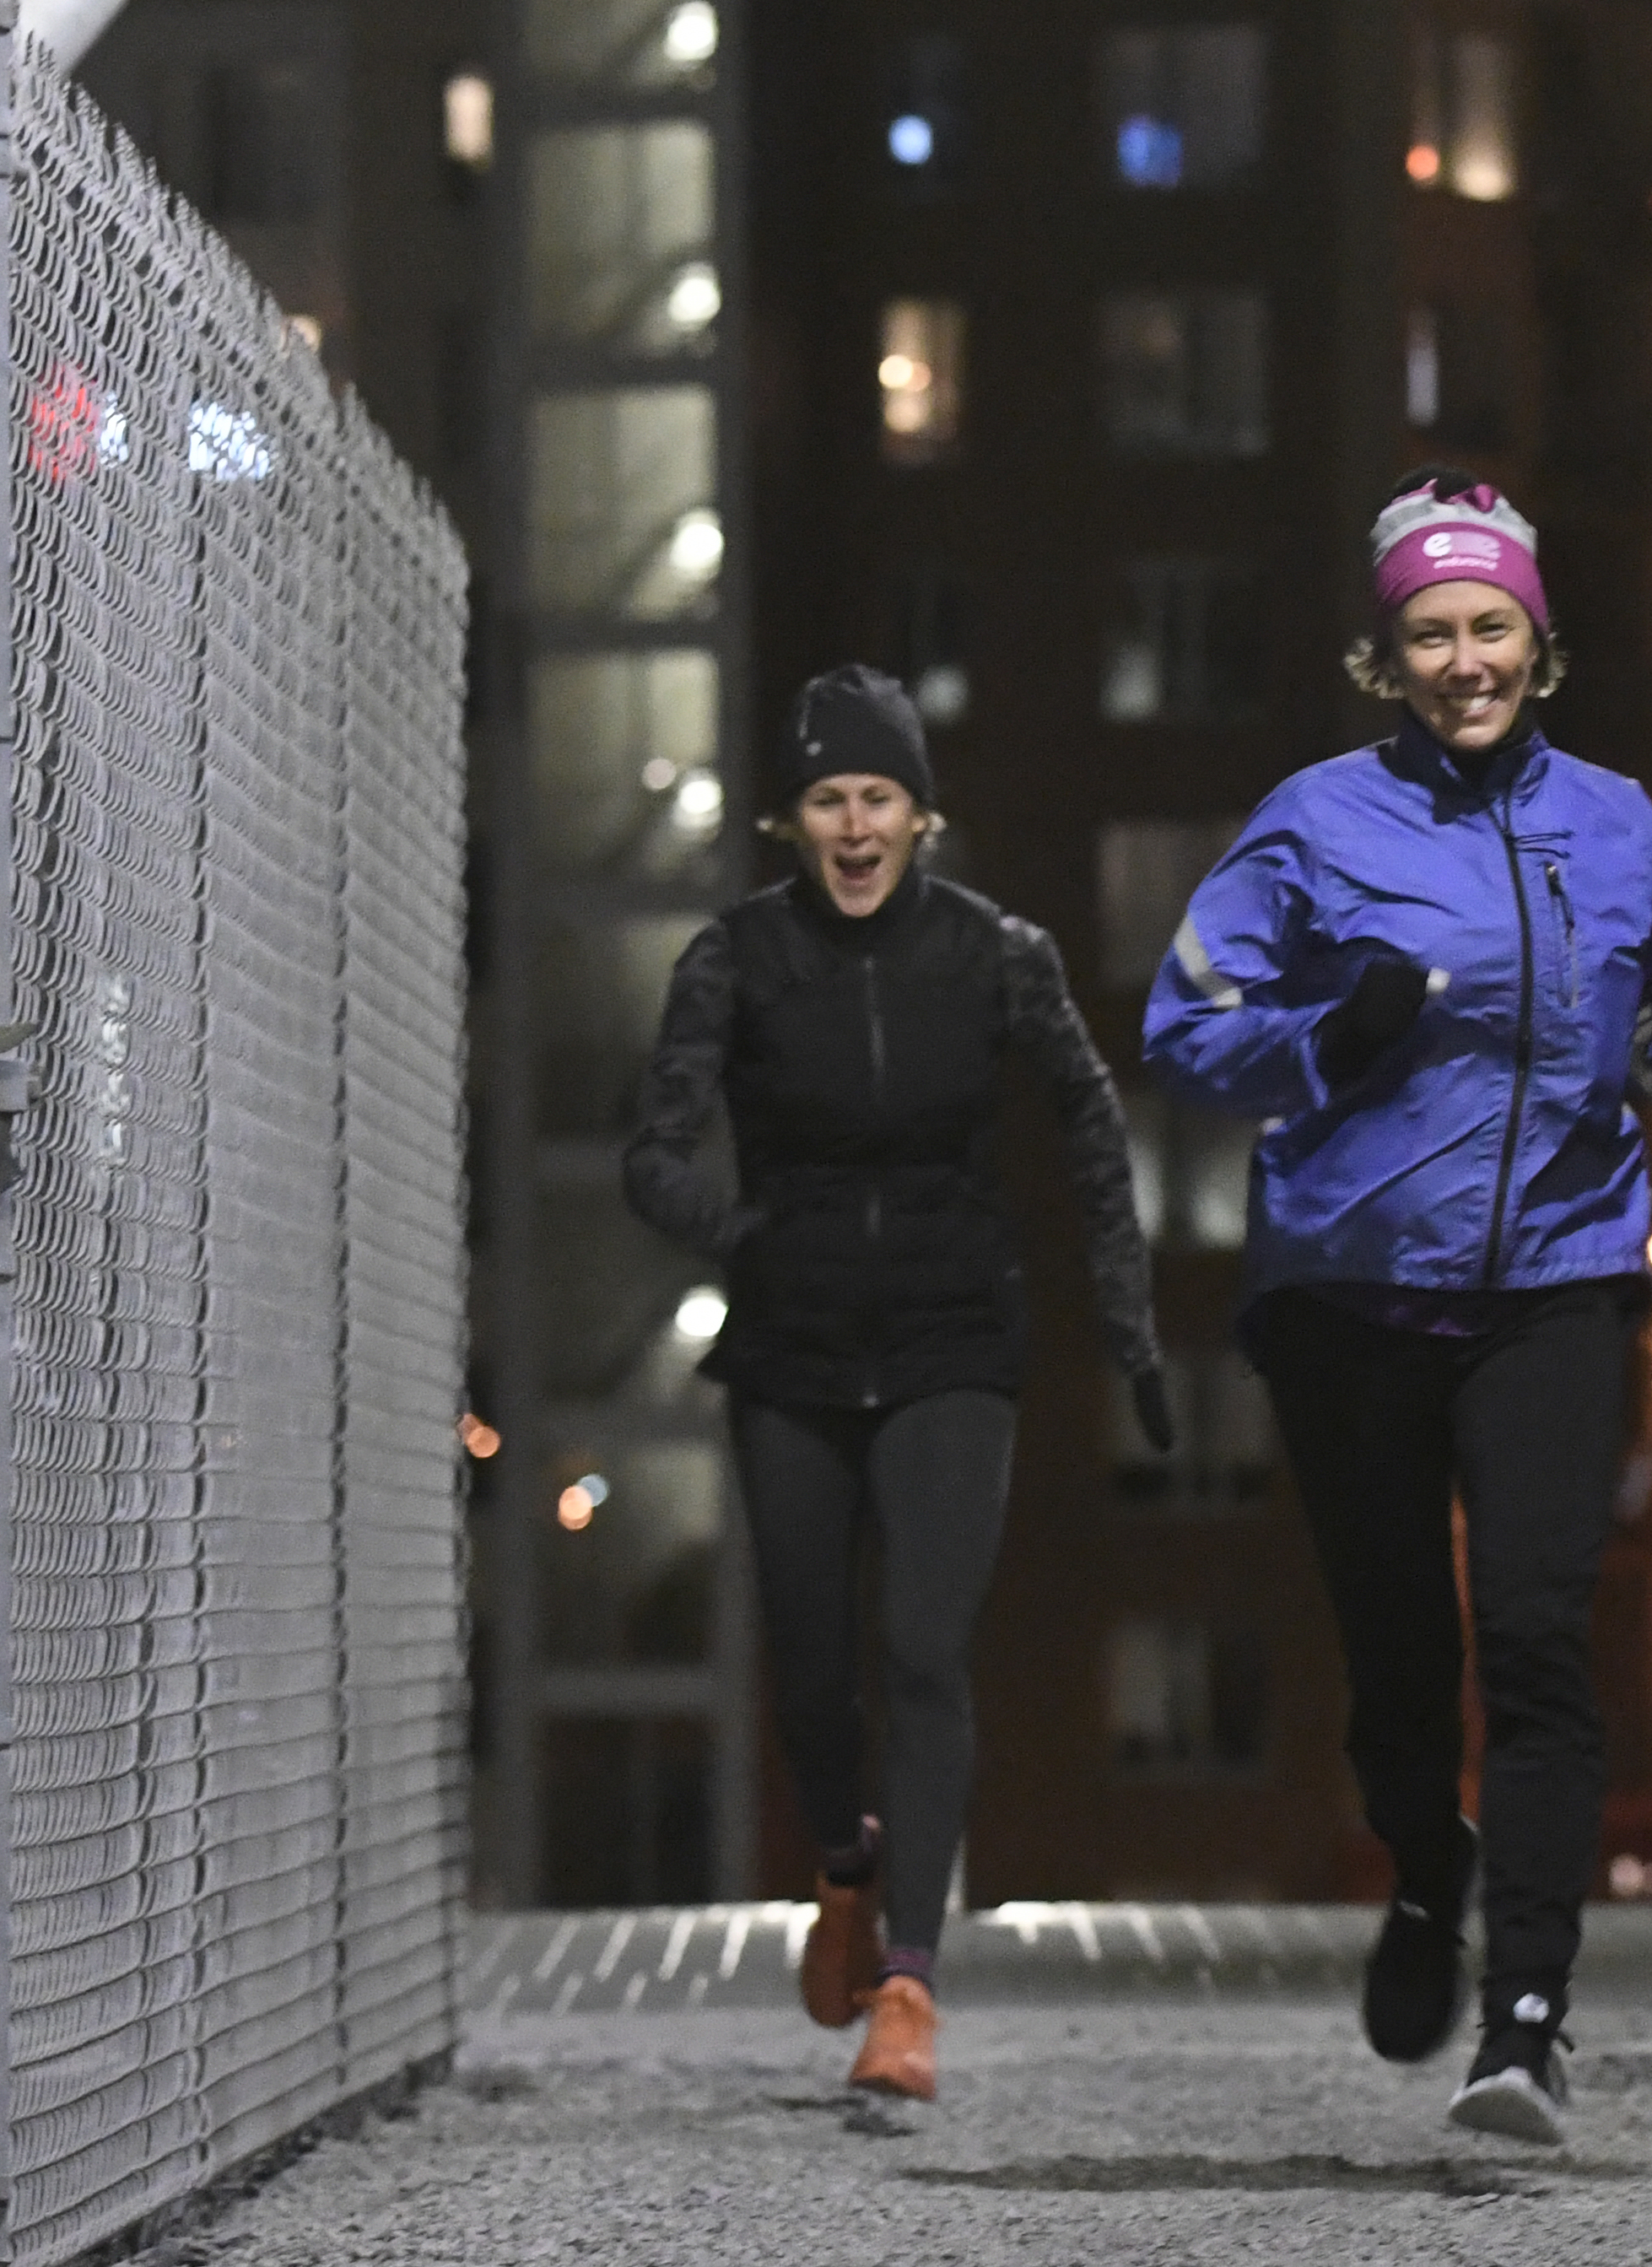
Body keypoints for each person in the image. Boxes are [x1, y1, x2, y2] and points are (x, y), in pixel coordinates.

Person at [1145, 469, 1652, 2146]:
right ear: (1390, 657)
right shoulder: (1313, 822)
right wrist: (1325, 1037)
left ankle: (1527, 2026)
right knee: (1401, 1661)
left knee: (1539, 1632)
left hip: (1558, 1283)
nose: (1464, 660)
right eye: (1430, 633)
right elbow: (1181, 1029)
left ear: (1537, 639)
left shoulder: (1616, 821)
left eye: (1491, 625)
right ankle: (1428, 1868)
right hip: (1353, 1292)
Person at [624, 665, 1169, 2102]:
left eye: (879, 798)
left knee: (925, 1652)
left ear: (923, 815)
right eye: (828, 801)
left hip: (951, 1343)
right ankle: (844, 1872)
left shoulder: (996, 954)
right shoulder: (736, 957)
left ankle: (912, 1985)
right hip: (793, 1353)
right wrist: (746, 1236)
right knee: (812, 1670)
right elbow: (652, 1153)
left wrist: (1129, 1325)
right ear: (790, 822)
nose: (856, 827)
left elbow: (1092, 1120)